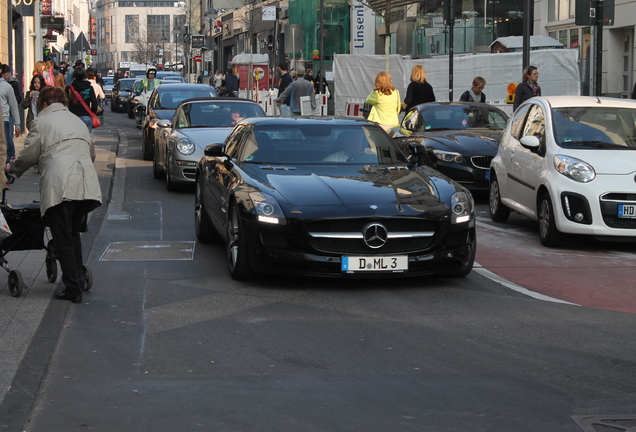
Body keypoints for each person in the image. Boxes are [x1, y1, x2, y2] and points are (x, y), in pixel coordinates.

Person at [9, 86, 102, 304]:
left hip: (61, 184)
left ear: (43, 104)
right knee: (73, 233)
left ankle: (72, 289)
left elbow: (29, 154)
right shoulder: (77, 121)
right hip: (85, 184)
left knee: (63, 238)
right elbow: (91, 153)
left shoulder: (41, 122)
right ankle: (78, 278)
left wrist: (12, 168)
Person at [66, 66, 99, 132]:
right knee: (87, 138)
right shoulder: (89, 87)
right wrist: (92, 112)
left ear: (74, 75)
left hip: (73, 116)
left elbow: (65, 102)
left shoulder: (69, 88)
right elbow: (94, 103)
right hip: (86, 115)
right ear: (84, 75)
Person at [0, 64, 22, 163]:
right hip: (4, 118)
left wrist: (17, 124)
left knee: (5, 144)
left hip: (4, 119)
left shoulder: (7, 86)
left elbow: (14, 106)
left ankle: (5, 167)